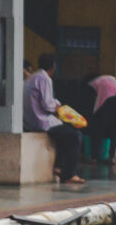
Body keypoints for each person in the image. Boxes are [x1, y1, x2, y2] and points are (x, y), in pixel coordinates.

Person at [22, 56, 85, 187]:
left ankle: (59, 166)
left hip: (30, 120)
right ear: (53, 67)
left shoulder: (32, 77)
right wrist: (57, 105)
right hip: (41, 121)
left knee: (64, 133)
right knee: (75, 135)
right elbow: (47, 105)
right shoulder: (44, 78)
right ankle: (69, 174)